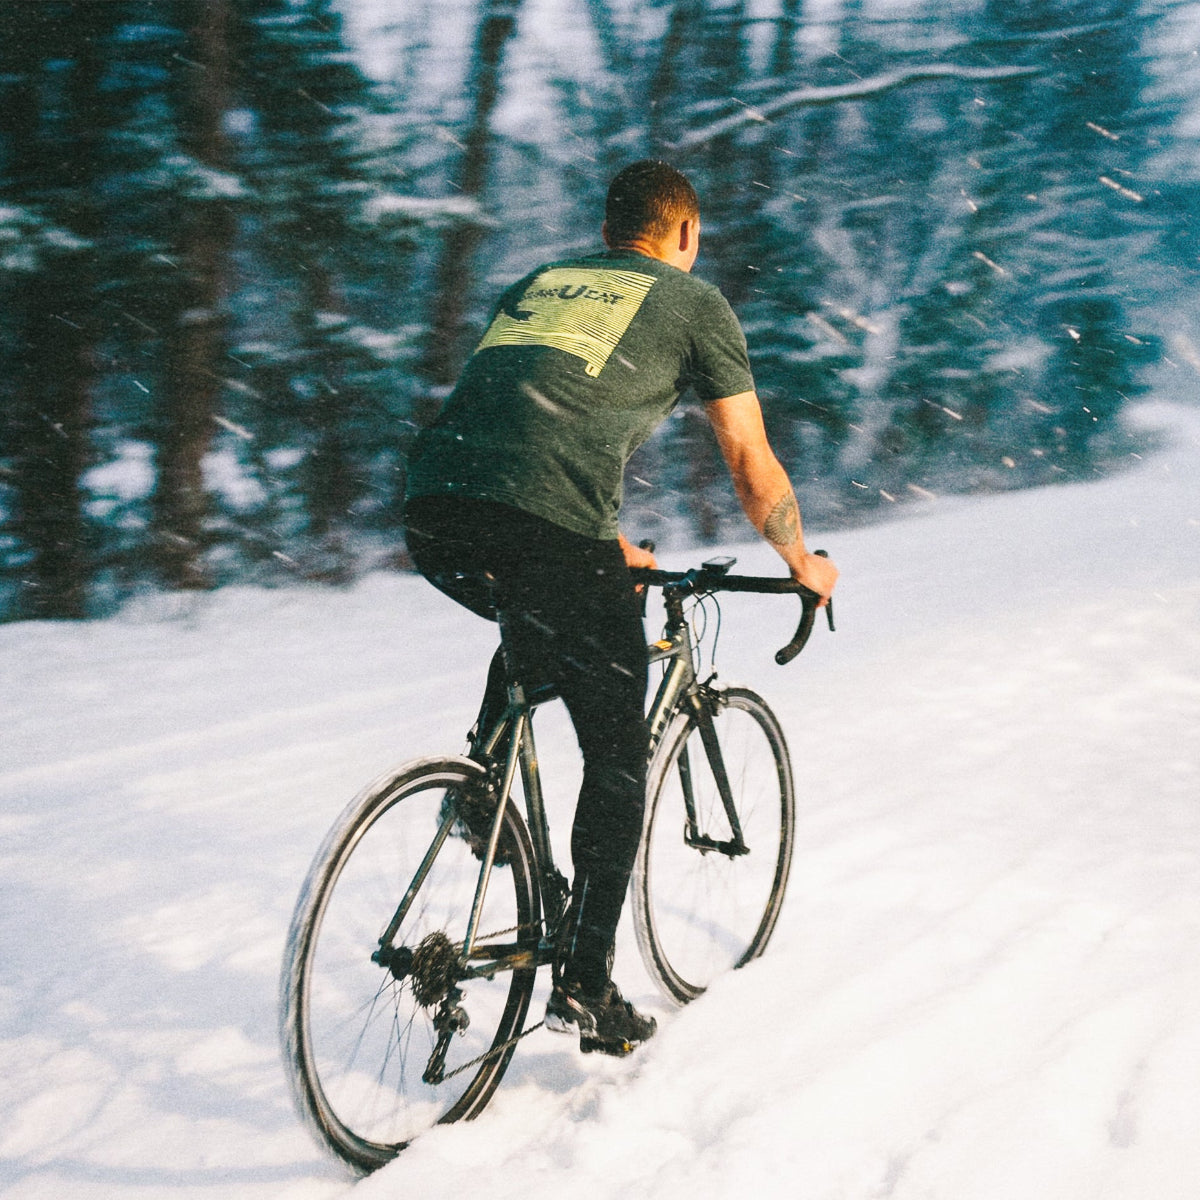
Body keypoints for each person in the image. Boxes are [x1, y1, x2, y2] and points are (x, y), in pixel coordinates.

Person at [404, 160, 838, 1056]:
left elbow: (531, 422)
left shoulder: (542, 282)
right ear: (682, 232)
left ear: (611, 230)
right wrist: (803, 562)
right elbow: (752, 462)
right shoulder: (694, 304)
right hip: (544, 523)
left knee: (545, 602)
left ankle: (482, 793)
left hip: (433, 506)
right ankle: (588, 986)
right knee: (615, 754)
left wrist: (606, 549)